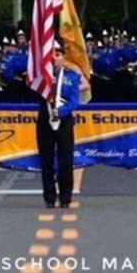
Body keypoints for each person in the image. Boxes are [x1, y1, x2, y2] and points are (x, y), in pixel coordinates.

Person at [36, 39, 81, 208]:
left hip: (64, 121)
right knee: (46, 160)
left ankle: (65, 197)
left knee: (65, 160)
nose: (54, 58)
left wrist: (61, 111)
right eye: (51, 55)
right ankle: (49, 197)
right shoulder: (40, 77)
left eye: (58, 54)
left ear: (63, 56)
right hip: (45, 120)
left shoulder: (72, 76)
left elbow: (75, 101)